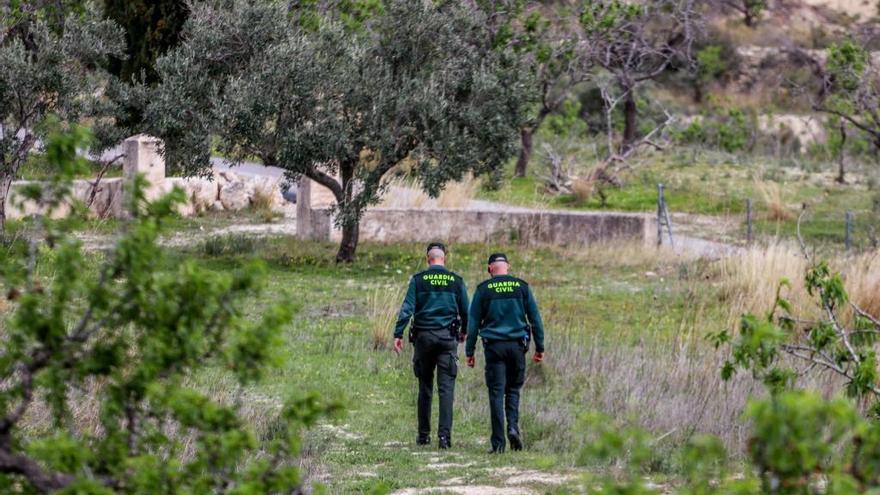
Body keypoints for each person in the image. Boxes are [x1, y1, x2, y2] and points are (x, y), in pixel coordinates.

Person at [465, 252, 545, 453]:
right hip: (517, 346)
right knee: (514, 390)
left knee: (496, 393)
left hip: (494, 347)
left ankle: (498, 443)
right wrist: (540, 347)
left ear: (490, 268)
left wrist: (470, 350)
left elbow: (473, 322)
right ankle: (513, 427)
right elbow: (535, 319)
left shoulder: (483, 290)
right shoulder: (521, 287)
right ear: (507, 267)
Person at [394, 242, 469, 449]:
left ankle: (423, 435)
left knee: (425, 387)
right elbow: (466, 311)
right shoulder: (456, 281)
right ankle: (444, 438)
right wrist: (464, 332)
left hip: (423, 340)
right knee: (446, 389)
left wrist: (398, 333)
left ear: (428, 259)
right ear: (444, 259)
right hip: (447, 340)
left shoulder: (418, 280)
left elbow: (407, 308)